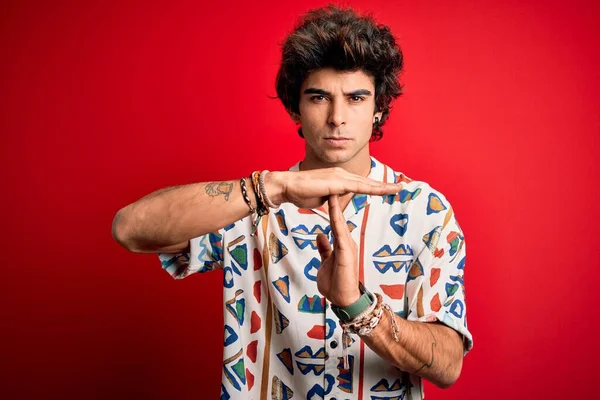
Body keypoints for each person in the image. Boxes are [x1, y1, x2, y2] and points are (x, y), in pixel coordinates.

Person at [112, 5, 473, 399]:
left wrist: (356, 305)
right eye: (319, 97)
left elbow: (448, 364)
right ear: (295, 106)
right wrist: (273, 190)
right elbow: (129, 230)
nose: (337, 117)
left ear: (379, 107)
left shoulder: (424, 211)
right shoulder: (249, 206)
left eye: (355, 98)